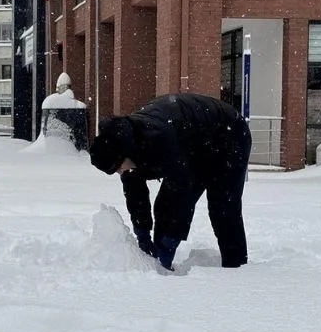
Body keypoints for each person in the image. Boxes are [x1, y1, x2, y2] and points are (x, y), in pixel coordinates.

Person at [89, 93, 252, 271]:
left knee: (222, 205)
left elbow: (182, 191)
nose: (120, 172)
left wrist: (171, 239)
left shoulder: (158, 139)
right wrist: (142, 233)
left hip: (228, 134)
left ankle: (236, 267)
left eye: (118, 167)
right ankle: (160, 262)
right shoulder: (124, 144)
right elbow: (136, 194)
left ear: (124, 154)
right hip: (193, 143)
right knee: (164, 204)